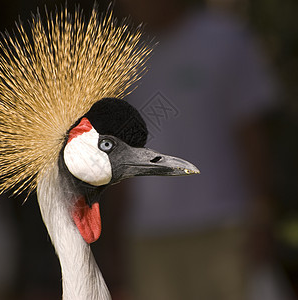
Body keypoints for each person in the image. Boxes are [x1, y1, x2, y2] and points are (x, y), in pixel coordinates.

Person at [118, 1, 278, 299]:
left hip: (224, 228)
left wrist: (260, 215)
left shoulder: (226, 40)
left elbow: (252, 134)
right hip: (149, 236)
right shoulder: (121, 59)